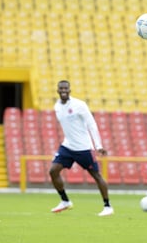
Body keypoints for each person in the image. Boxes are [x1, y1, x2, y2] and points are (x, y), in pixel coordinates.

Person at [49, 80, 114, 216]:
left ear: (70, 90)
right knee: (53, 171)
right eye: (61, 88)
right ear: (57, 90)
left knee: (96, 175)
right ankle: (65, 201)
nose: (63, 91)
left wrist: (98, 145)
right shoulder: (57, 107)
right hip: (67, 146)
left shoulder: (79, 105)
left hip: (83, 148)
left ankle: (107, 206)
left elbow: (91, 124)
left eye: (66, 88)